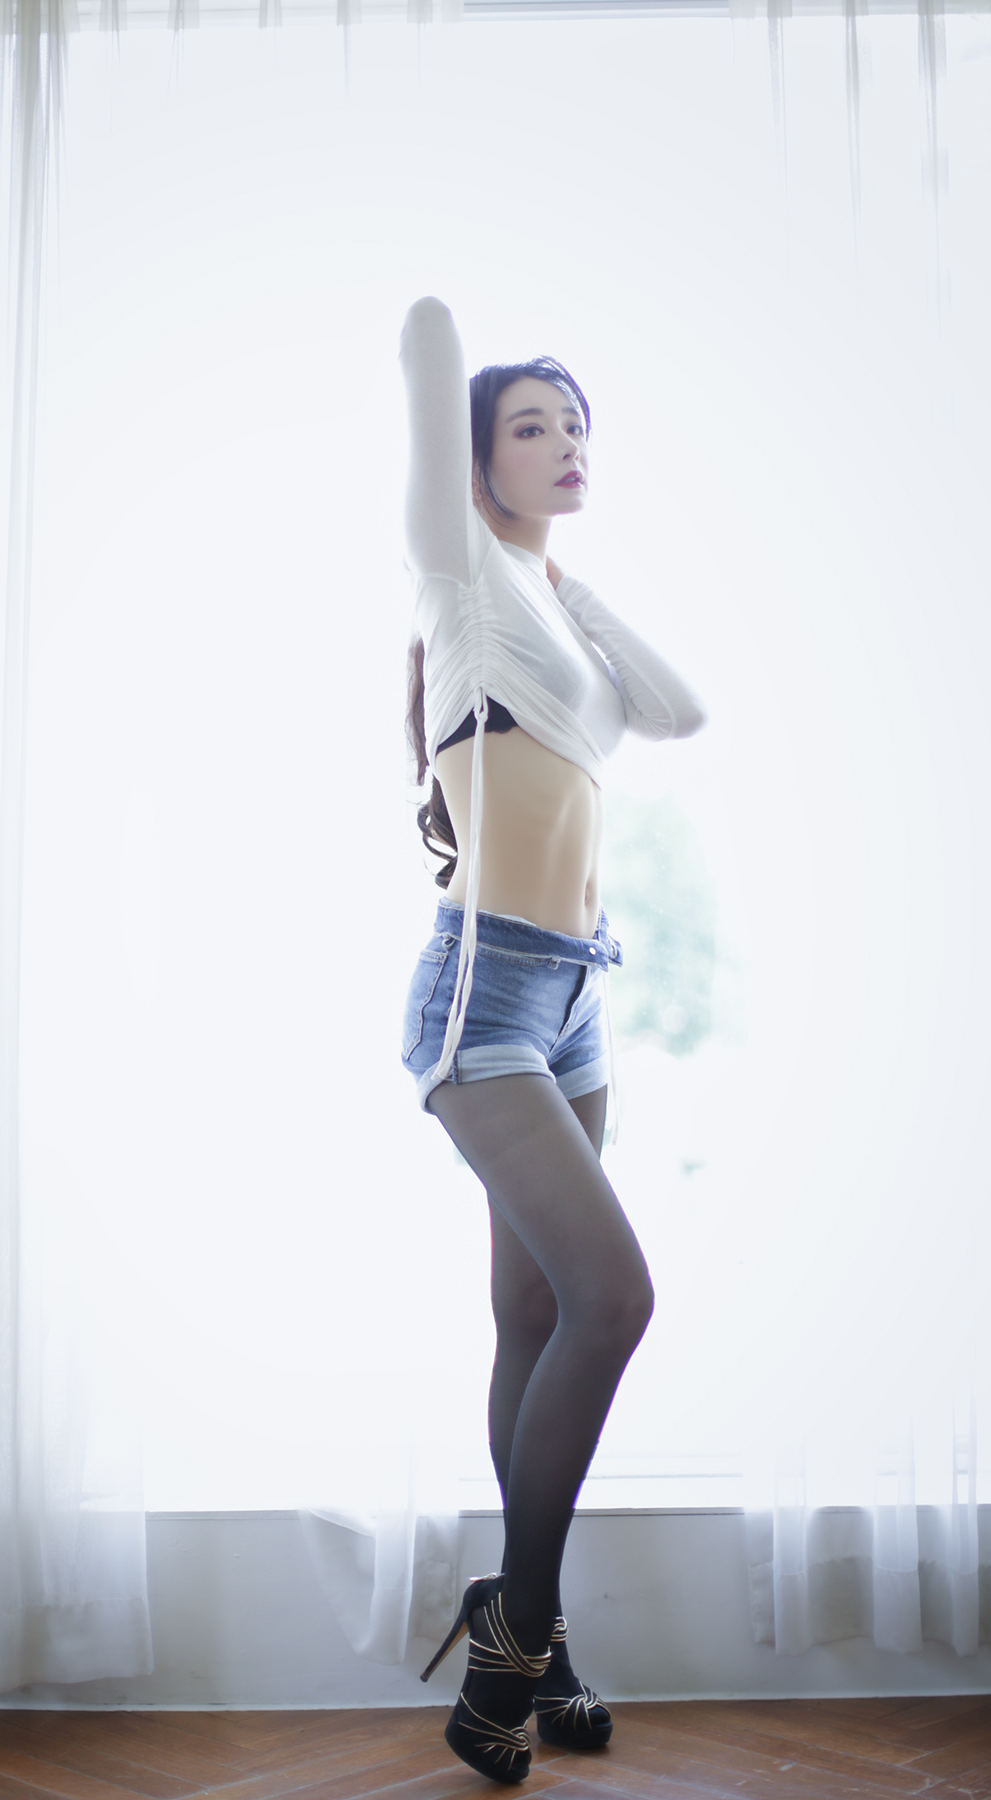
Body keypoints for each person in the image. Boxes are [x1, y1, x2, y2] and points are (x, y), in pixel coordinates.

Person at [400, 295, 707, 1785]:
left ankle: (535, 1632)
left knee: (533, 1317)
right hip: (487, 1002)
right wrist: (470, 455)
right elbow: (425, 338)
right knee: (611, 1298)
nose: (569, 441)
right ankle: (513, 1644)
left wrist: (572, 588)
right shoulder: (458, 576)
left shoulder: (543, 600)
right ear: (475, 465)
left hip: (580, 998)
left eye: (578, 424)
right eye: (533, 426)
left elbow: (680, 711)